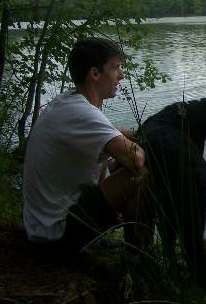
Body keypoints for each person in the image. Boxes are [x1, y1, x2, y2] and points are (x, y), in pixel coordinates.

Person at [22, 37, 149, 254]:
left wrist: (121, 136)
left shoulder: (67, 102)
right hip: (56, 232)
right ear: (95, 74)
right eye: (116, 67)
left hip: (40, 225)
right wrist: (141, 147)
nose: (121, 75)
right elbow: (136, 158)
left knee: (118, 162)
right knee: (143, 171)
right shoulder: (83, 113)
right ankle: (138, 255)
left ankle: (112, 242)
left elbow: (102, 134)